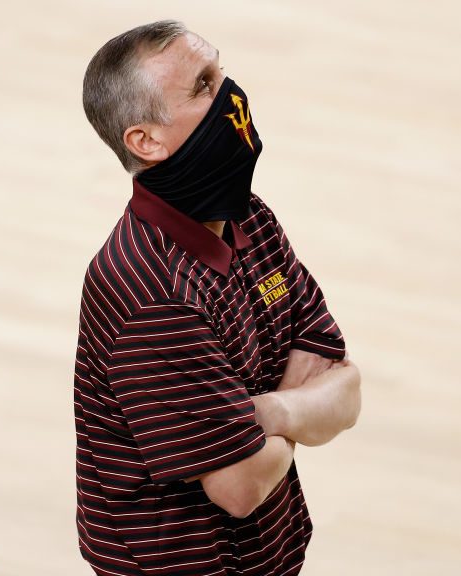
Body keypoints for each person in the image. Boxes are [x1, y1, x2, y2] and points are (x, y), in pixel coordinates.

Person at [73, 20, 362, 576]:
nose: (231, 96)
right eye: (204, 86)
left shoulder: (249, 217)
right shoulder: (148, 294)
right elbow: (240, 484)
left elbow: (345, 393)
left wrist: (269, 413)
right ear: (146, 141)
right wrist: (301, 407)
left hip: (268, 554)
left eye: (220, 72)